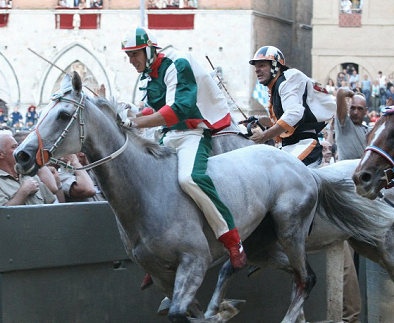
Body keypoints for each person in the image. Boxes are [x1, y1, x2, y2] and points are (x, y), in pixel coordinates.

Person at [121, 27, 246, 282]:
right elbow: (155, 109)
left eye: (134, 54)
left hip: (193, 134)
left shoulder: (177, 63)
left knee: (190, 178)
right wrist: (130, 115)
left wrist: (136, 123)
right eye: (128, 55)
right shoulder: (149, 75)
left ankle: (233, 240)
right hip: (169, 136)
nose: (131, 60)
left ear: (148, 50)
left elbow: (178, 109)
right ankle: (157, 256)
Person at [334, 87, 382, 323]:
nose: (354, 112)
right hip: (347, 197)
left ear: (366, 112)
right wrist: (344, 93)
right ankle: (350, 319)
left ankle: (355, 317)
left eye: (359, 108)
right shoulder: (343, 126)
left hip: (365, 198)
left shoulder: (368, 132)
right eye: (352, 108)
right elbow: (340, 103)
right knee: (347, 260)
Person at [248, 45, 327, 167]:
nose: (257, 70)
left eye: (262, 65)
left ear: (275, 66)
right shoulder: (275, 87)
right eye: (256, 66)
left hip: (304, 144)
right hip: (288, 147)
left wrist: (264, 136)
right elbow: (282, 121)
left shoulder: (288, 79)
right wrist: (259, 120)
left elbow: (294, 114)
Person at [0, 129, 57, 206]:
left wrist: (36, 160)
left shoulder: (29, 175)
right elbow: (0, 215)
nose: (21, 150)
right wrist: (24, 192)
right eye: (14, 147)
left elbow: (51, 202)